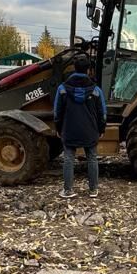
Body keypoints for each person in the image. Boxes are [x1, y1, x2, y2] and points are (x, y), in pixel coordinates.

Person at [53, 57, 107, 198]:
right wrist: (101, 129)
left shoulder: (62, 89)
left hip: (69, 129)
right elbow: (103, 113)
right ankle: (93, 190)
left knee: (69, 158)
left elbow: (57, 112)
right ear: (88, 70)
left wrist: (58, 128)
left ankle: (68, 190)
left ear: (74, 69)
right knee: (92, 158)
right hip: (90, 130)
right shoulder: (96, 90)